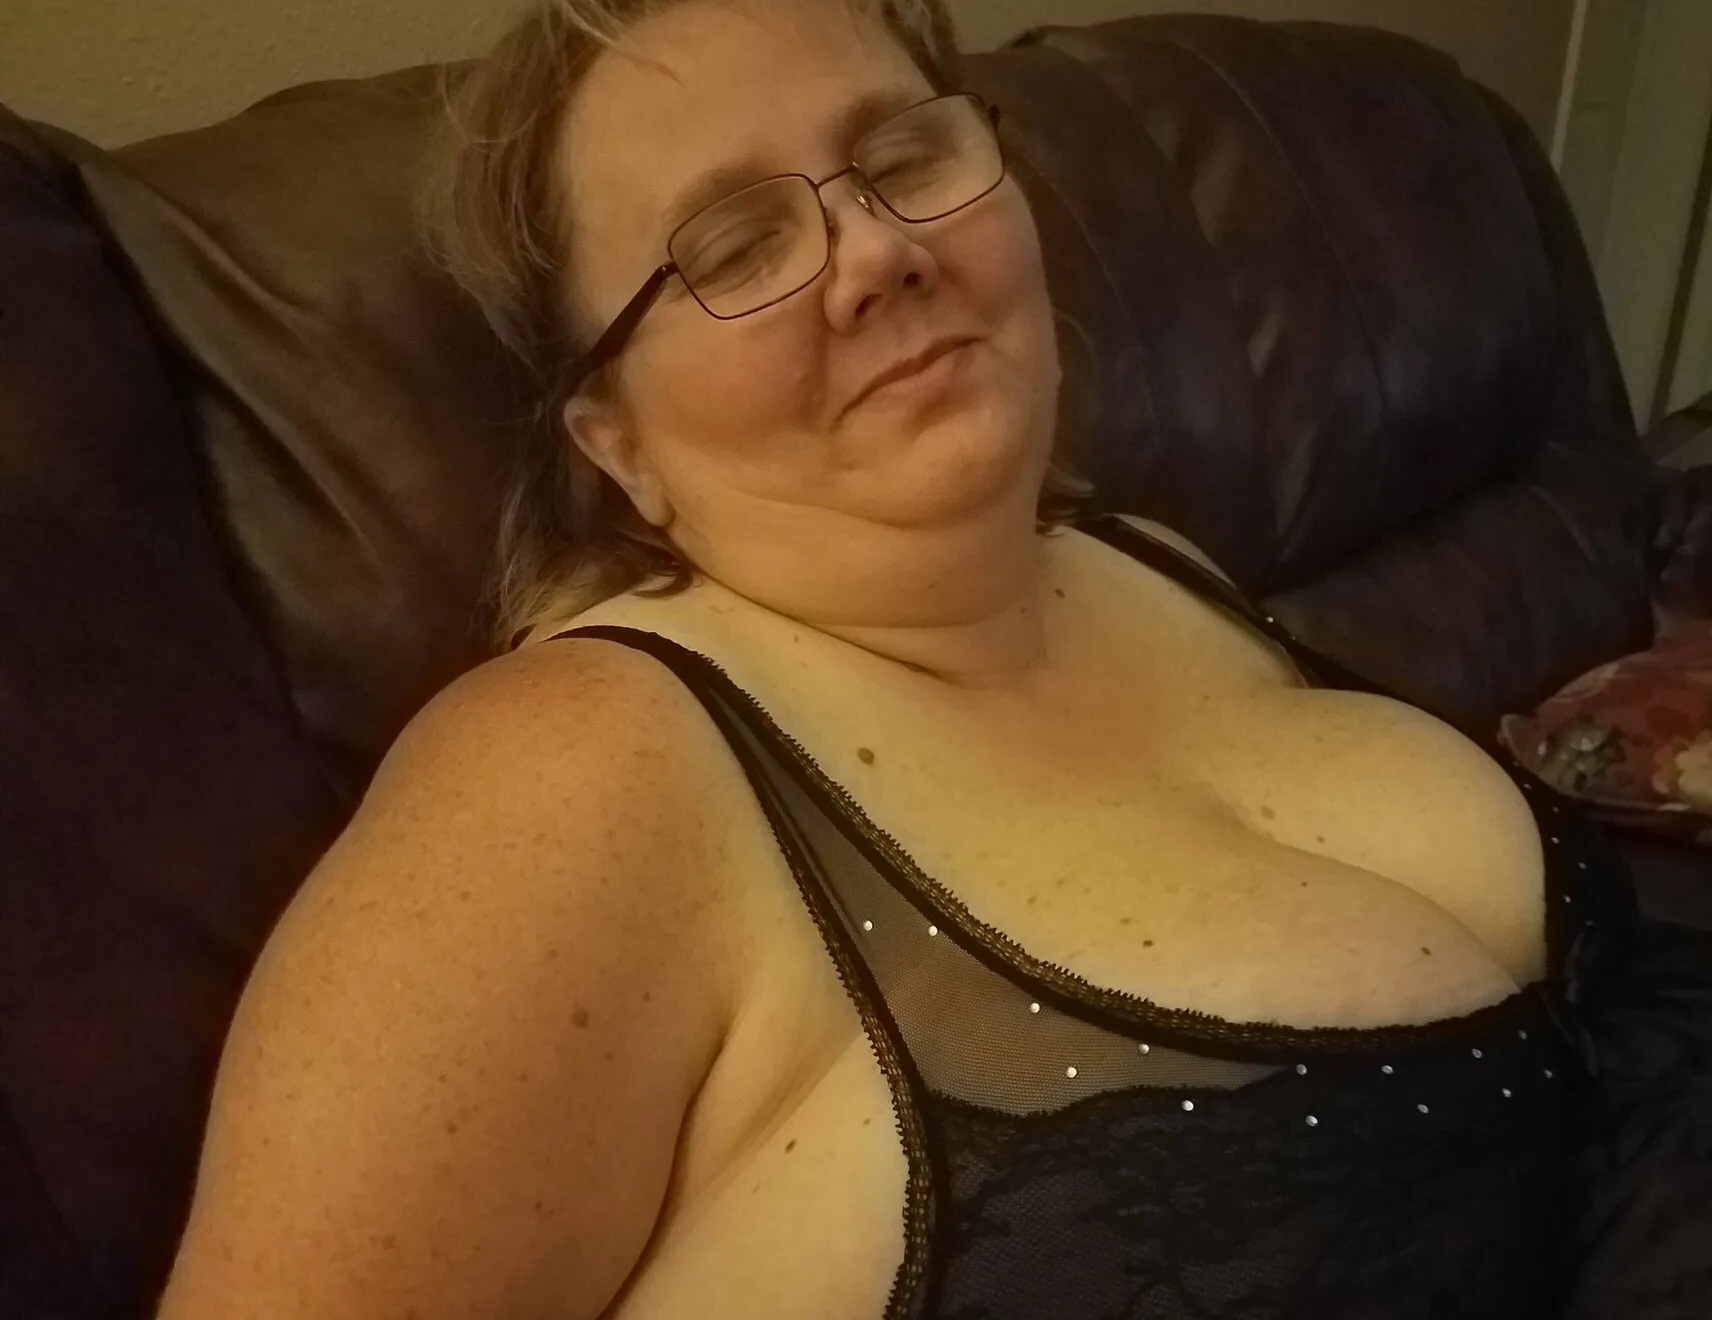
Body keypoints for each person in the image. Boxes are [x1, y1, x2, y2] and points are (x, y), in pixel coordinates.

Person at [155, 0, 1608, 1315]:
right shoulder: (565, 778)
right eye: (733, 248)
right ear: (619, 444)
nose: (878, 255)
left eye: (906, 159)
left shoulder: (1152, 565)